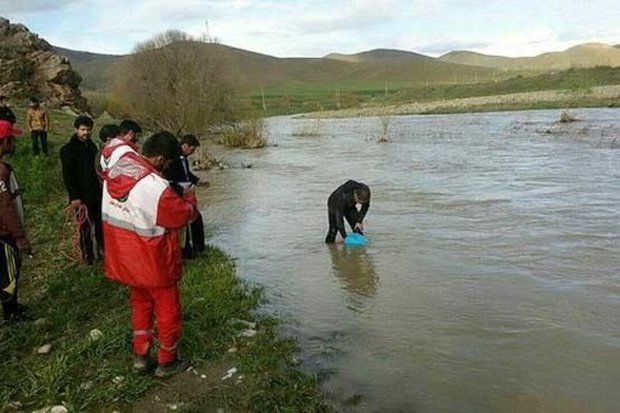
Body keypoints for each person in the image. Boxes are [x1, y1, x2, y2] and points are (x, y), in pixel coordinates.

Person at [102, 131, 198, 378]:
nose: (168, 168)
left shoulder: (119, 167)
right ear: (160, 159)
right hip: (154, 260)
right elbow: (184, 215)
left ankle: (141, 357)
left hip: (125, 258)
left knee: (140, 305)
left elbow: (111, 148)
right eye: (168, 163)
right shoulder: (156, 188)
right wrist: (188, 195)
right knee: (168, 310)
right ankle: (167, 360)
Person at [0, 120, 32, 323]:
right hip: (4, 234)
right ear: (3, 141)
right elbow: (6, 208)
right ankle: (11, 312)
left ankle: (12, 306)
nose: (14, 143)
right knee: (9, 270)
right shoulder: (1, 173)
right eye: (12, 139)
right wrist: (20, 237)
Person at [59, 115, 102, 264]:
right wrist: (74, 197)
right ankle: (88, 257)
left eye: (88, 130)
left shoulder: (92, 146)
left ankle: (102, 252)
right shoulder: (68, 150)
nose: (86, 133)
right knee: (84, 227)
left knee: (99, 224)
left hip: (95, 193)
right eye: (83, 129)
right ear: (76, 129)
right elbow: (67, 176)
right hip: (80, 196)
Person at [163, 134, 208, 258]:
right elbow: (168, 178)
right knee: (186, 222)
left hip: (186, 193)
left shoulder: (183, 159)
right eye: (192, 149)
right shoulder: (172, 159)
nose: (192, 153)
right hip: (178, 194)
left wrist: (198, 181)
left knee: (195, 219)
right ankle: (189, 251)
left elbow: (186, 174)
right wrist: (182, 188)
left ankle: (197, 249)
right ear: (185, 146)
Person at [325, 180, 371, 244]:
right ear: (355, 196)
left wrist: (359, 221)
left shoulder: (365, 191)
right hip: (334, 203)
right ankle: (330, 246)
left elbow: (366, 206)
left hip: (350, 206)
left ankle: (358, 252)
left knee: (357, 228)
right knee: (333, 230)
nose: (360, 204)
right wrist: (345, 237)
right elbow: (339, 220)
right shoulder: (342, 198)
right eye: (360, 202)